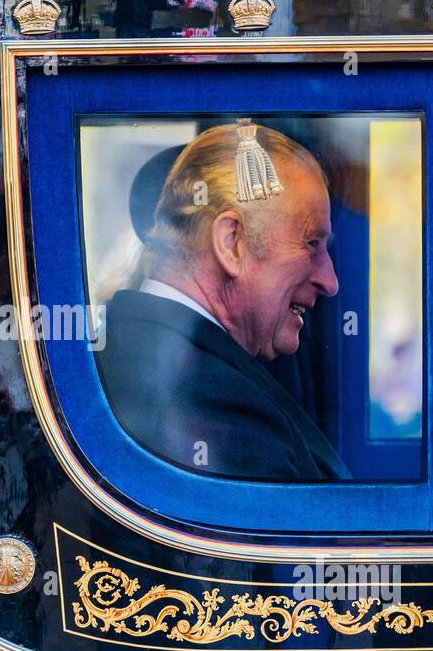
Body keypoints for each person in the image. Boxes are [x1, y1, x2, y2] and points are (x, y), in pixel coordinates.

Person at [97, 121, 350, 481]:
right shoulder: (214, 398)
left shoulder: (134, 349)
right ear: (231, 243)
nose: (330, 282)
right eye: (311, 243)